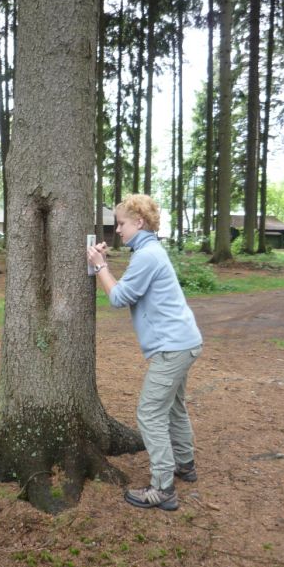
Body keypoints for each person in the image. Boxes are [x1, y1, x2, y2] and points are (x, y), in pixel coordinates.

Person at [87, 194, 202, 511]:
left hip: (173, 347)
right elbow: (130, 284)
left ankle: (163, 488)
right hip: (184, 343)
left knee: (150, 414)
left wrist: (99, 267)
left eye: (121, 224)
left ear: (139, 222)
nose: (118, 230)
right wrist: (104, 266)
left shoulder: (148, 255)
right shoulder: (149, 250)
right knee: (174, 408)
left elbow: (119, 297)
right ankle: (185, 464)